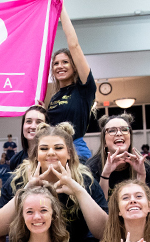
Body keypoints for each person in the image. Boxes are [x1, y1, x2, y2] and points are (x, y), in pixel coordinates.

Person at [46, 7, 95, 161]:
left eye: (65, 62)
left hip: (76, 151)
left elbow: (74, 45)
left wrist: (61, 9)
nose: (60, 66)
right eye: (56, 64)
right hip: (53, 150)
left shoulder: (83, 89)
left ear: (74, 67)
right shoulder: (53, 99)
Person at [87, 113, 150, 195]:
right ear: (104, 141)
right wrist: (105, 175)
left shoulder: (145, 167)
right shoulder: (91, 169)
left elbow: (142, 204)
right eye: (112, 130)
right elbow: (99, 206)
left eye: (124, 129)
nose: (119, 133)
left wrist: (141, 176)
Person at [8, 106, 48, 171]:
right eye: (28, 121)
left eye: (39, 122)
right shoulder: (15, 160)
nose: (33, 126)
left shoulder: (52, 157)